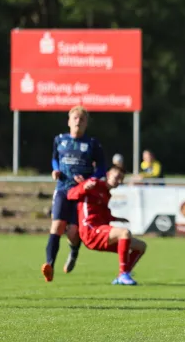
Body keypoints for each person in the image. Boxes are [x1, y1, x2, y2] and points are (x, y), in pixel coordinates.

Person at [41, 106, 106, 282]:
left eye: (82, 119)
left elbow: (101, 167)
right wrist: (55, 170)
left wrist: (91, 180)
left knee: (73, 232)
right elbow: (55, 158)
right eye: (75, 118)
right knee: (57, 226)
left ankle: (74, 252)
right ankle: (50, 265)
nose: (78, 121)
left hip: (81, 192)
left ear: (86, 124)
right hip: (63, 188)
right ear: (69, 121)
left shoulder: (92, 144)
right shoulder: (60, 140)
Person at [67, 165, 147, 285]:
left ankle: (124, 274)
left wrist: (116, 218)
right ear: (108, 174)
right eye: (117, 177)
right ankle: (123, 274)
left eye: (121, 179)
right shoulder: (94, 183)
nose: (119, 181)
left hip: (99, 231)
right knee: (124, 233)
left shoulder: (106, 193)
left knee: (141, 246)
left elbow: (103, 215)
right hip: (90, 230)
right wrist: (83, 187)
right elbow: (70, 194)